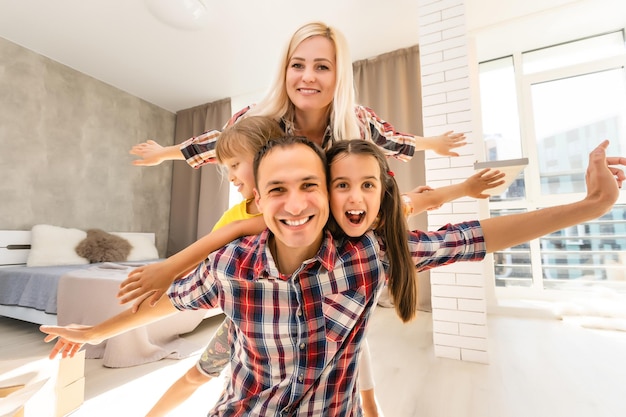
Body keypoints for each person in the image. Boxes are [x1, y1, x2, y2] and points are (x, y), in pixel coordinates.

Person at [42, 137, 623, 416]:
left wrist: (588, 207)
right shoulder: (232, 266)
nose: (295, 204)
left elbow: (475, 237)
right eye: (277, 190)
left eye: (309, 186)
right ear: (257, 203)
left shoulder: (371, 257)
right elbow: (167, 303)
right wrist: (95, 334)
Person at [128, 21, 467, 171]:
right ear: (285, 70)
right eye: (297, 65)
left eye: (322, 67)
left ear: (339, 75)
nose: (307, 77)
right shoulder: (257, 120)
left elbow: (393, 141)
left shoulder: (359, 122)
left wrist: (434, 144)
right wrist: (163, 153)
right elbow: (217, 144)